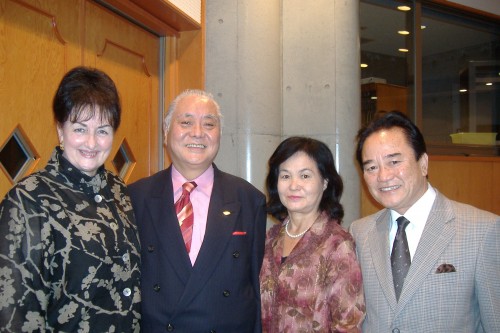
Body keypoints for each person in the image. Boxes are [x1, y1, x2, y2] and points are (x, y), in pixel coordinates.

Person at [0, 66, 141, 332]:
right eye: (79, 128)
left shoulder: (119, 192)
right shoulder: (28, 201)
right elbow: (14, 314)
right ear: (60, 130)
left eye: (102, 130)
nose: (91, 142)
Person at [128, 89, 267, 332]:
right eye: (186, 122)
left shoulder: (248, 199)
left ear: (219, 134)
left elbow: (253, 290)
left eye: (209, 124)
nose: (198, 133)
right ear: (166, 132)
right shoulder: (134, 197)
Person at [349, 111, 500, 332]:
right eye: (371, 167)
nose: (383, 176)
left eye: (394, 161)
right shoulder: (359, 232)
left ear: (423, 163)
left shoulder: (482, 230)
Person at [260, 136, 365, 332]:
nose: (293, 185)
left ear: (325, 182)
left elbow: (348, 324)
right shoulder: (269, 239)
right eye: (285, 176)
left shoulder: (337, 244)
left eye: (305, 176)